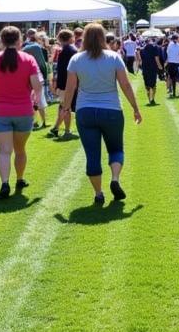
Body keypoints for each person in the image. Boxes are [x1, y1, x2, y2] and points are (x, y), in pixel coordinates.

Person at [61, 22, 142, 205]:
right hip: (111, 110)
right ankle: (115, 178)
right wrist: (135, 108)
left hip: (85, 111)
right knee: (116, 149)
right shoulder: (113, 57)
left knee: (92, 154)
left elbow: (70, 88)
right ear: (103, 37)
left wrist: (66, 108)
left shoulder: (76, 59)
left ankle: (98, 193)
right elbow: (126, 85)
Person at [0, 26, 42, 200]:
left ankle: (4, 183)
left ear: (1, 40)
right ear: (19, 40)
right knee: (20, 149)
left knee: (4, 151)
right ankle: (20, 179)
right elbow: (37, 86)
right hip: (24, 111)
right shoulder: (28, 59)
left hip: (0, 112)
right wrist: (35, 100)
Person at [49, 29, 77, 138]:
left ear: (60, 39)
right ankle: (66, 131)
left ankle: (56, 128)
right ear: (71, 38)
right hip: (68, 84)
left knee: (64, 107)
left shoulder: (65, 51)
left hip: (64, 84)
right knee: (65, 108)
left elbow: (61, 71)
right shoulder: (72, 50)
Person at [22, 28, 49, 129]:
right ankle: (42, 122)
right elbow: (42, 63)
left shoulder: (23, 47)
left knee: (31, 100)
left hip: (27, 76)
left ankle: (34, 122)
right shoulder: (36, 47)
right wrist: (45, 75)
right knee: (39, 99)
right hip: (37, 76)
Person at [138, 37, 164, 105]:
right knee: (153, 85)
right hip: (153, 69)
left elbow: (140, 61)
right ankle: (153, 99)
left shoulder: (142, 49)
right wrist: (160, 67)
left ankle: (149, 99)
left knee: (147, 85)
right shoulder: (154, 48)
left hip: (145, 69)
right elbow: (156, 58)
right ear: (150, 41)